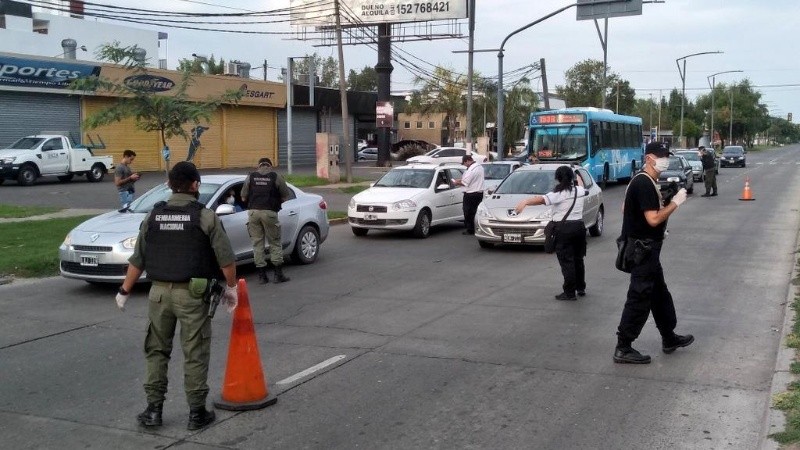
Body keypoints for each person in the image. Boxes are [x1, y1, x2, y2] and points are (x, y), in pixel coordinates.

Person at [114, 161, 239, 430]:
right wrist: (231, 289)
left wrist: (124, 290)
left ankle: (153, 411)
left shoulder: (153, 216)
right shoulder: (205, 217)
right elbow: (226, 260)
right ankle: (196, 413)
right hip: (193, 296)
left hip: (158, 294)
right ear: (195, 185)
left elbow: (138, 259)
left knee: (156, 352)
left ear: (170, 185)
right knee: (195, 353)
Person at [613, 142, 694, 364]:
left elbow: (625, 208)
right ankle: (623, 346)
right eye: (661, 157)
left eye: (666, 156)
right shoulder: (644, 182)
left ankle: (668, 337)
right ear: (649, 158)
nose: (664, 160)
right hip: (643, 250)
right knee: (639, 297)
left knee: (659, 295)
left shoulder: (643, 180)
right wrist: (676, 203)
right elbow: (653, 218)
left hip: (647, 248)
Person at [514, 166, 589, 300]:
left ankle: (569, 293)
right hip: (579, 228)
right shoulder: (579, 190)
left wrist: (525, 202)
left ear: (557, 178)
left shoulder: (558, 193)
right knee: (578, 259)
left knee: (567, 262)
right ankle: (580, 287)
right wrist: (577, 175)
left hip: (564, 229)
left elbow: (542, 200)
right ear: (572, 178)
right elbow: (582, 186)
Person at [241, 157, 292, 284]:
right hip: (269, 213)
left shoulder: (251, 176)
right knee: (274, 242)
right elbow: (286, 197)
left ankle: (262, 277)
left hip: (253, 213)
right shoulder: (275, 176)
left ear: (258, 166)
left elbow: (243, 197)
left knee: (257, 244)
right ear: (270, 166)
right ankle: (278, 275)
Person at [454, 154, 485, 235]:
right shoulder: (480, 167)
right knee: (475, 212)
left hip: (471, 194)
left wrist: (456, 182)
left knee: (468, 212)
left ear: (467, 161)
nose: (464, 165)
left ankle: (470, 229)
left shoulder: (471, 169)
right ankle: (477, 228)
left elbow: (465, 183)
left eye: (464, 163)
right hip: (479, 193)